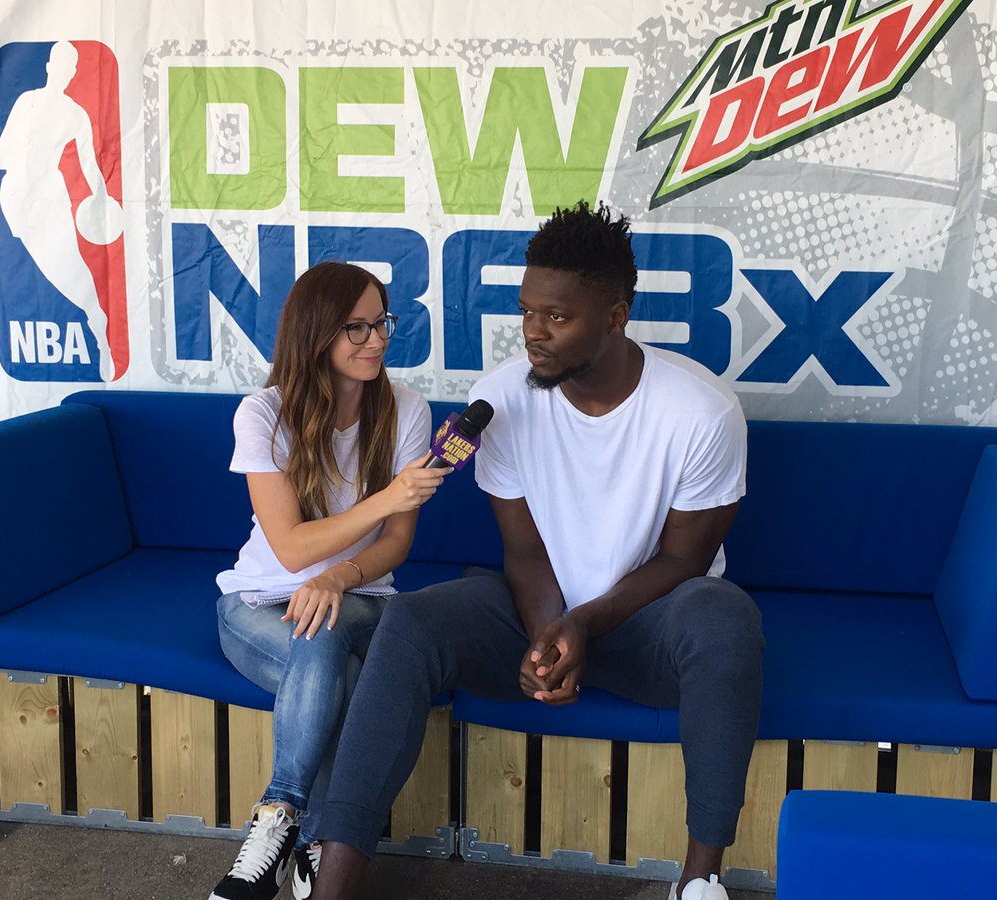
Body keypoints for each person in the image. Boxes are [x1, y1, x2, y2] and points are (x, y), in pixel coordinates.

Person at [309, 203, 764, 900]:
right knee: (414, 620)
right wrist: (549, 633)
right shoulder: (500, 400)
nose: (534, 334)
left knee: (724, 616)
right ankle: (334, 877)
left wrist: (582, 625)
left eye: (557, 317)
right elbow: (521, 550)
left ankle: (699, 884)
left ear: (616, 315)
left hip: (652, 624)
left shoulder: (700, 411)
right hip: (542, 612)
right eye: (526, 313)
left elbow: (682, 562)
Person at [208, 261, 447, 900]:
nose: (376, 341)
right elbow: (289, 551)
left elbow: (397, 544)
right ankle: (315, 838)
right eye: (356, 328)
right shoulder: (263, 414)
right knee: (333, 665)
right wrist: (387, 497)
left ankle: (275, 818)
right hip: (257, 601)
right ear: (316, 333)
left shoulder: (406, 410)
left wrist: (339, 577)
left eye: (381, 324)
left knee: (326, 617)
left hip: (362, 597)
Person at [0, 40, 119, 381]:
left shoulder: (75, 114)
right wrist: (27, 154)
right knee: (45, 270)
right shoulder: (27, 102)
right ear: (50, 67)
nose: (65, 72)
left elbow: (91, 165)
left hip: (50, 198)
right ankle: (96, 319)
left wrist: (103, 200)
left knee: (71, 269)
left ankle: (99, 325)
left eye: (70, 67)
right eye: (61, 64)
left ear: (73, 73)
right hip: (18, 198)